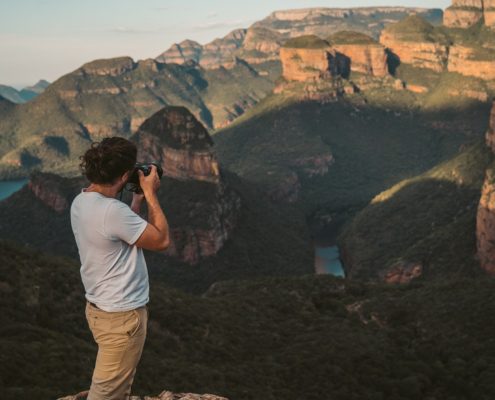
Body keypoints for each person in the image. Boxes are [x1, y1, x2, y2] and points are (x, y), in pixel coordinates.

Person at [70, 136, 170, 400]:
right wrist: (149, 194)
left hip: (98, 310)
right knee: (108, 393)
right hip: (122, 317)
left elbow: (124, 232)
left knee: (113, 385)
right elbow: (161, 240)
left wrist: (136, 202)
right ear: (125, 174)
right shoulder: (112, 212)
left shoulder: (82, 201)